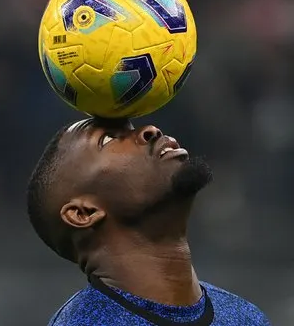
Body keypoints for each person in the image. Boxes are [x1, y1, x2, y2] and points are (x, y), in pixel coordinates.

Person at [27, 117, 270, 325]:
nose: (151, 129)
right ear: (84, 213)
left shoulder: (245, 316)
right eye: (108, 140)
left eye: (132, 126)